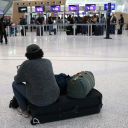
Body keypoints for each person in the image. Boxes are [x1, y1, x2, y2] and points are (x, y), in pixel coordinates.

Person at [12, 44, 60, 117]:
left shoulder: (26, 64)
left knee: (14, 84)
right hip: (55, 96)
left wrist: (20, 72)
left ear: (28, 54)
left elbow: (17, 80)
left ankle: (24, 110)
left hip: (37, 100)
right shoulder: (48, 61)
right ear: (40, 52)